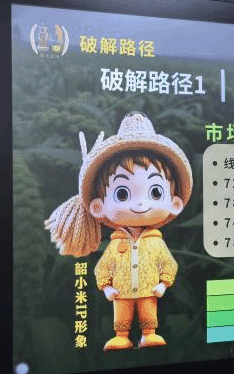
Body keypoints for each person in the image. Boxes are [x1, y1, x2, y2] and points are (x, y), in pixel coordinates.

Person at [45, 112, 194, 351]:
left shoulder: (156, 243)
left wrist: (163, 284)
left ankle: (149, 333)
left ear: (174, 203)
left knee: (148, 313)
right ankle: (122, 335)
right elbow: (103, 268)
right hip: (121, 293)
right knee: (121, 315)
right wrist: (107, 287)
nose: (140, 204)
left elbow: (168, 265)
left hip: (148, 290)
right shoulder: (115, 244)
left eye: (155, 192)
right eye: (122, 194)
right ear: (98, 207)